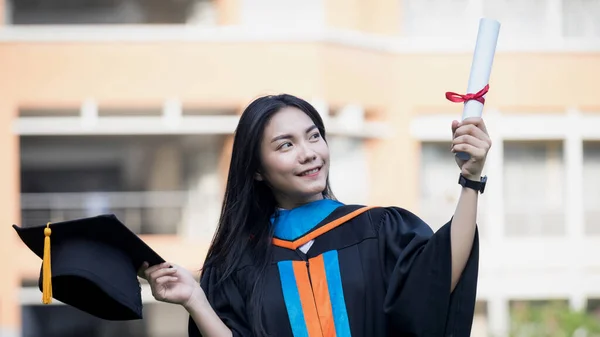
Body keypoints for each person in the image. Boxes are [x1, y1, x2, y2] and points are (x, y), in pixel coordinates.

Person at [139, 93, 491, 336]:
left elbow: (440, 273)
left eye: (314, 136)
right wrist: (194, 300)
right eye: (286, 145)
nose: (309, 153)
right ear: (257, 169)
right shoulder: (236, 263)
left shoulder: (376, 230)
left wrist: (471, 179)